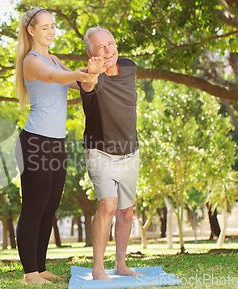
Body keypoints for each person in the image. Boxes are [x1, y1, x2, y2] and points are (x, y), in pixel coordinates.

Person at [14, 7, 102, 285]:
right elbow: (55, 77)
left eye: (53, 26)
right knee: (33, 206)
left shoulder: (54, 58)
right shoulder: (31, 61)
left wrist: (92, 74)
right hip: (35, 142)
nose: (51, 31)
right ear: (31, 30)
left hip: (56, 142)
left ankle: (40, 267)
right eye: (45, 27)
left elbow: (80, 85)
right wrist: (81, 74)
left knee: (50, 206)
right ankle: (29, 273)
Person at [78, 26, 145, 281]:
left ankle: (120, 265)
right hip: (100, 152)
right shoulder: (88, 75)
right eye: (100, 48)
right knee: (108, 204)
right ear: (91, 54)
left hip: (130, 151)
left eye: (110, 44)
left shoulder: (129, 68)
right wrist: (93, 74)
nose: (108, 51)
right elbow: (88, 86)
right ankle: (98, 269)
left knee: (126, 211)